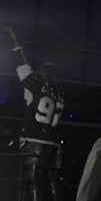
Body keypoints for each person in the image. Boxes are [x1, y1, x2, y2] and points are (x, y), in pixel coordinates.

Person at [5, 27, 64, 201]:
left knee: (30, 181)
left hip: (33, 139)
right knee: (52, 181)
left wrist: (15, 43)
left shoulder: (34, 84)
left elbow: (21, 63)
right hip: (53, 143)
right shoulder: (59, 93)